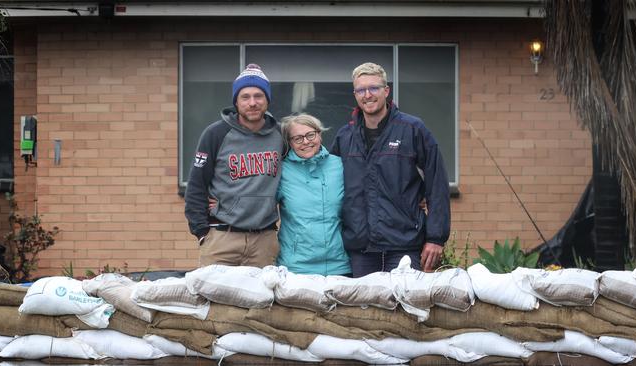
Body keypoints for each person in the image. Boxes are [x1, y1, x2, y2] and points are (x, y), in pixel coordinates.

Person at [331, 62, 451, 277]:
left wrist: (435, 237)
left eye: (374, 88)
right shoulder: (345, 137)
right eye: (361, 90)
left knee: (404, 306)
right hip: (361, 248)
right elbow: (329, 184)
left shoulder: (413, 129)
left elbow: (437, 184)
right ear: (355, 94)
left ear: (386, 91)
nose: (367, 95)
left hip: (404, 246)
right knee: (362, 310)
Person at [184, 64, 284, 268]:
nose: (253, 103)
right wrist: (201, 232)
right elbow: (196, 185)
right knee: (214, 299)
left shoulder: (280, 135)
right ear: (236, 102)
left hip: (264, 240)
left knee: (261, 299)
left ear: (267, 100)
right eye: (245, 97)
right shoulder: (215, 134)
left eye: (259, 96)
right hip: (222, 237)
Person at [276, 114, 351, 276]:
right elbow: (259, 199)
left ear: (320, 134)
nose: (305, 141)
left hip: (340, 264)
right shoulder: (281, 171)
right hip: (296, 266)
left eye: (310, 135)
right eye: (297, 138)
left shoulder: (340, 165)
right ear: (289, 142)